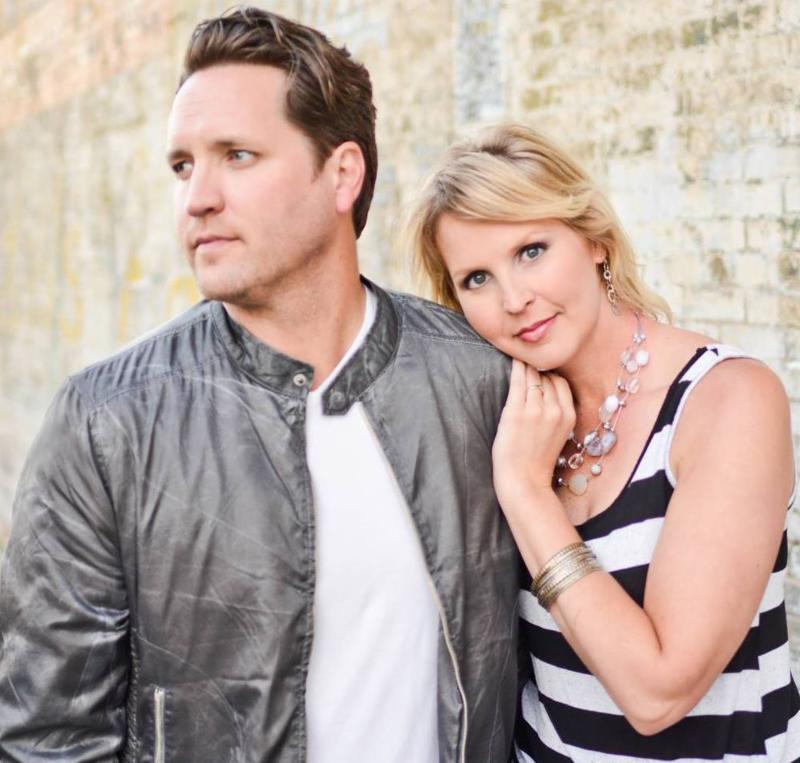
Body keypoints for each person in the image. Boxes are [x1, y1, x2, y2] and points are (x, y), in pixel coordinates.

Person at [0, 9, 520, 762]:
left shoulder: (477, 380)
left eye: (237, 156)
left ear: (342, 174)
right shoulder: (105, 423)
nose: (197, 198)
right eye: (183, 166)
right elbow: (49, 737)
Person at [408, 122, 800, 761]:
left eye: (531, 251)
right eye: (476, 278)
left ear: (593, 239)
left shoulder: (727, 400)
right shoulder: (510, 422)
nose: (514, 299)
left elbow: (658, 693)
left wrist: (526, 494)